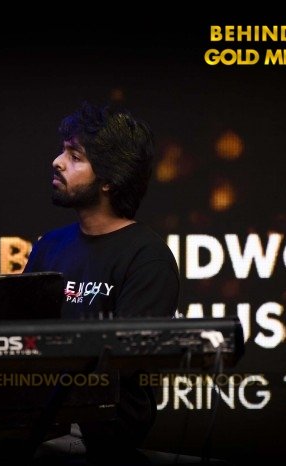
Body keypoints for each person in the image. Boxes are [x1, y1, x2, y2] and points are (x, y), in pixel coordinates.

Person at [24, 102, 181, 464]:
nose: (57, 162)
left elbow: (121, 367)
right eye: (63, 151)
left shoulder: (147, 258)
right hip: (35, 418)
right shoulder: (50, 245)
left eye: (75, 156)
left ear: (109, 180)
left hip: (98, 431)